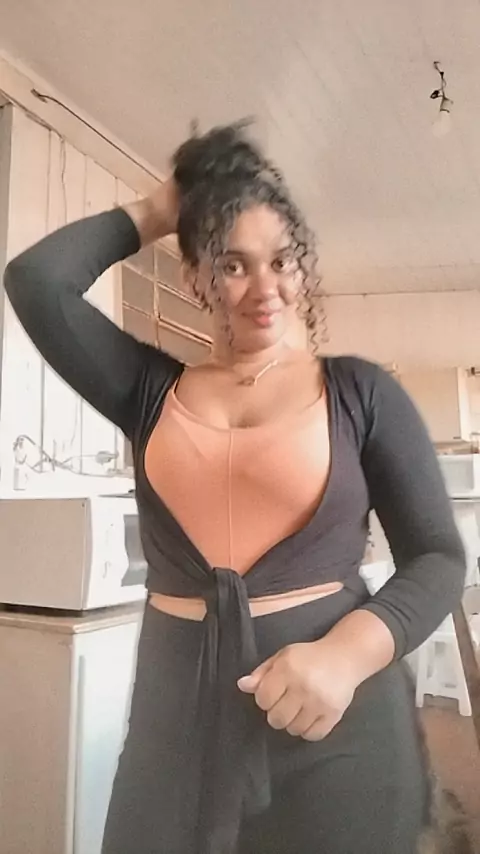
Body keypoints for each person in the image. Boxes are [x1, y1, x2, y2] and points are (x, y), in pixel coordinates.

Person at [4, 122, 466, 854]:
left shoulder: (359, 393)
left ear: (302, 267)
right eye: (233, 264)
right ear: (196, 276)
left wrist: (343, 657)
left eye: (281, 261)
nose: (265, 288)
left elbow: (437, 557)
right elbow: (36, 282)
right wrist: (167, 205)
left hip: (335, 725)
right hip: (173, 725)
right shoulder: (148, 390)